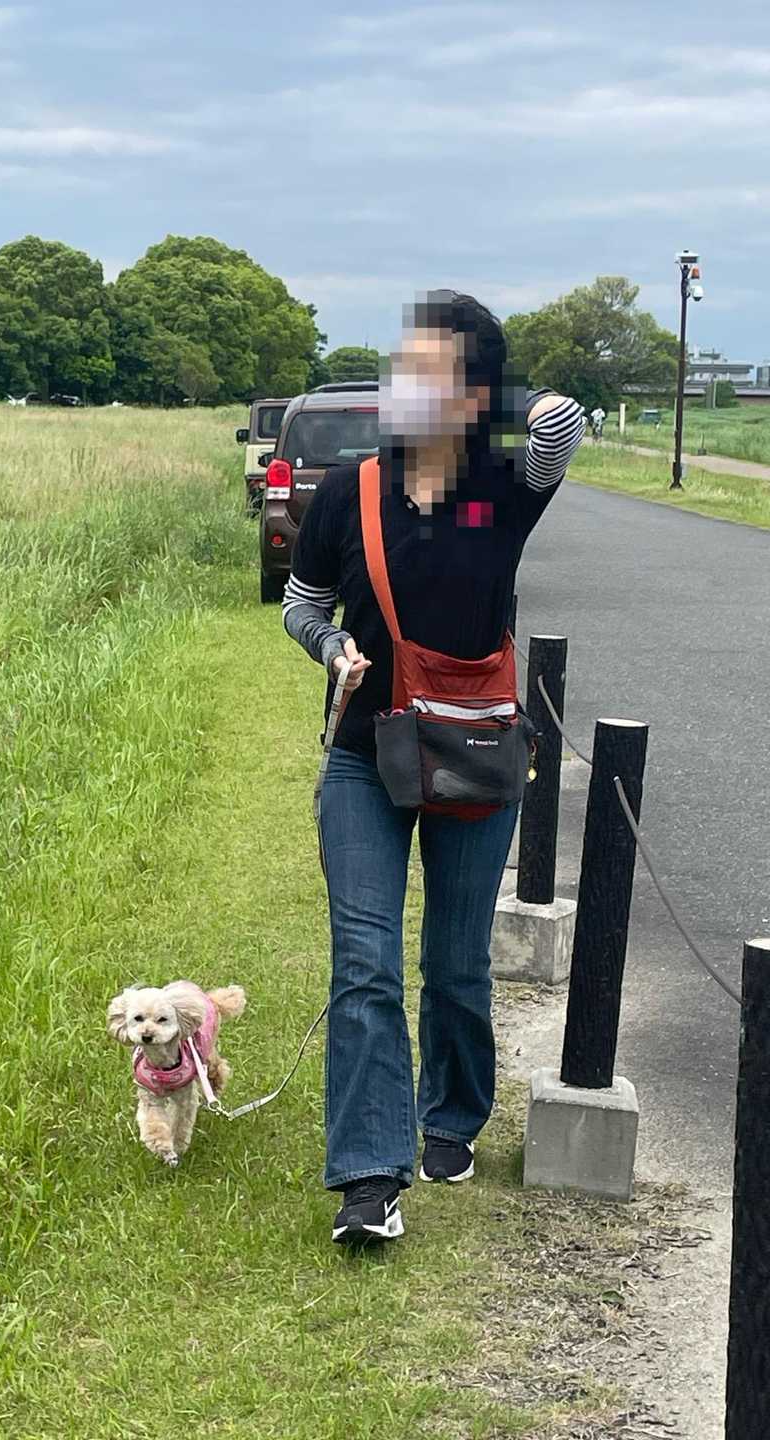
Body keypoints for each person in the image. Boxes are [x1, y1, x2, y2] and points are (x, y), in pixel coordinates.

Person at [282, 291, 584, 1247]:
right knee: (364, 959)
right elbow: (301, 601)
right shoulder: (349, 491)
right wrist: (330, 646)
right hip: (365, 755)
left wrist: (493, 401)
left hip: (475, 751)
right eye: (401, 366)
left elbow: (562, 424)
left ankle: (451, 1113)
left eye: (426, 371)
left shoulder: (499, 490)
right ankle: (370, 1176)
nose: (402, 384)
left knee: (455, 963)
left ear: (472, 392)